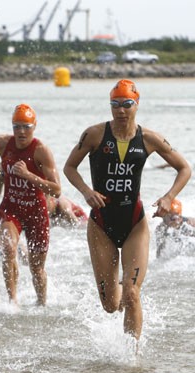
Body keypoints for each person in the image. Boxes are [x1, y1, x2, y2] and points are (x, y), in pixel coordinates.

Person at [64, 79, 191, 340]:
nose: (121, 110)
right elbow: (69, 167)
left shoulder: (150, 139)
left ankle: (130, 362)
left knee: (132, 295)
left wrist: (169, 197)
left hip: (135, 223)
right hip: (101, 224)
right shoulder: (95, 135)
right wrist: (87, 192)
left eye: (126, 105)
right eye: (115, 105)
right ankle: (123, 299)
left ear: (137, 104)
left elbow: (185, 168)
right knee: (111, 305)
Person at [0, 104, 61, 306]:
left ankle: (42, 304)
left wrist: (28, 175)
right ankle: (12, 302)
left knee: (36, 267)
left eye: (26, 127)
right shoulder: (2, 142)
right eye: (16, 127)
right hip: (11, 208)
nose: (21, 132)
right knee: (8, 248)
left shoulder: (41, 151)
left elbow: (56, 190)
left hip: (36, 212)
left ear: (34, 126)